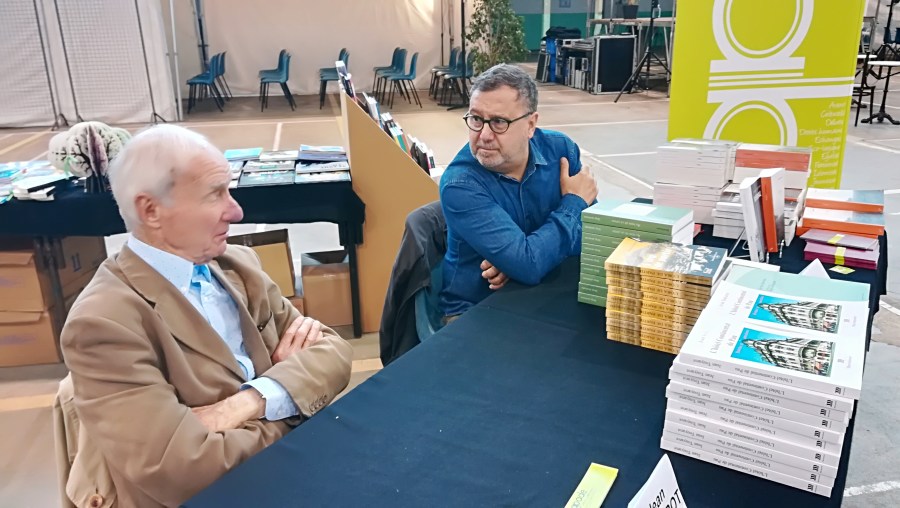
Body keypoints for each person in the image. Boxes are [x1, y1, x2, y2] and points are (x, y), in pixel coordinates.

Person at [59, 124, 353, 507]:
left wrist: (248, 402)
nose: (236, 211)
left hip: (281, 479)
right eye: (216, 194)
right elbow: (185, 470)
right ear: (151, 211)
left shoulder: (237, 266)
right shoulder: (103, 323)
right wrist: (296, 401)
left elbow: (334, 352)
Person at [439, 64, 598, 320]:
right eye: (476, 119)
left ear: (530, 124)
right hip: (476, 310)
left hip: (546, 291)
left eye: (499, 122)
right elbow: (529, 264)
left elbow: (591, 234)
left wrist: (517, 259)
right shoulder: (461, 183)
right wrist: (573, 203)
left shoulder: (560, 151)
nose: (484, 135)